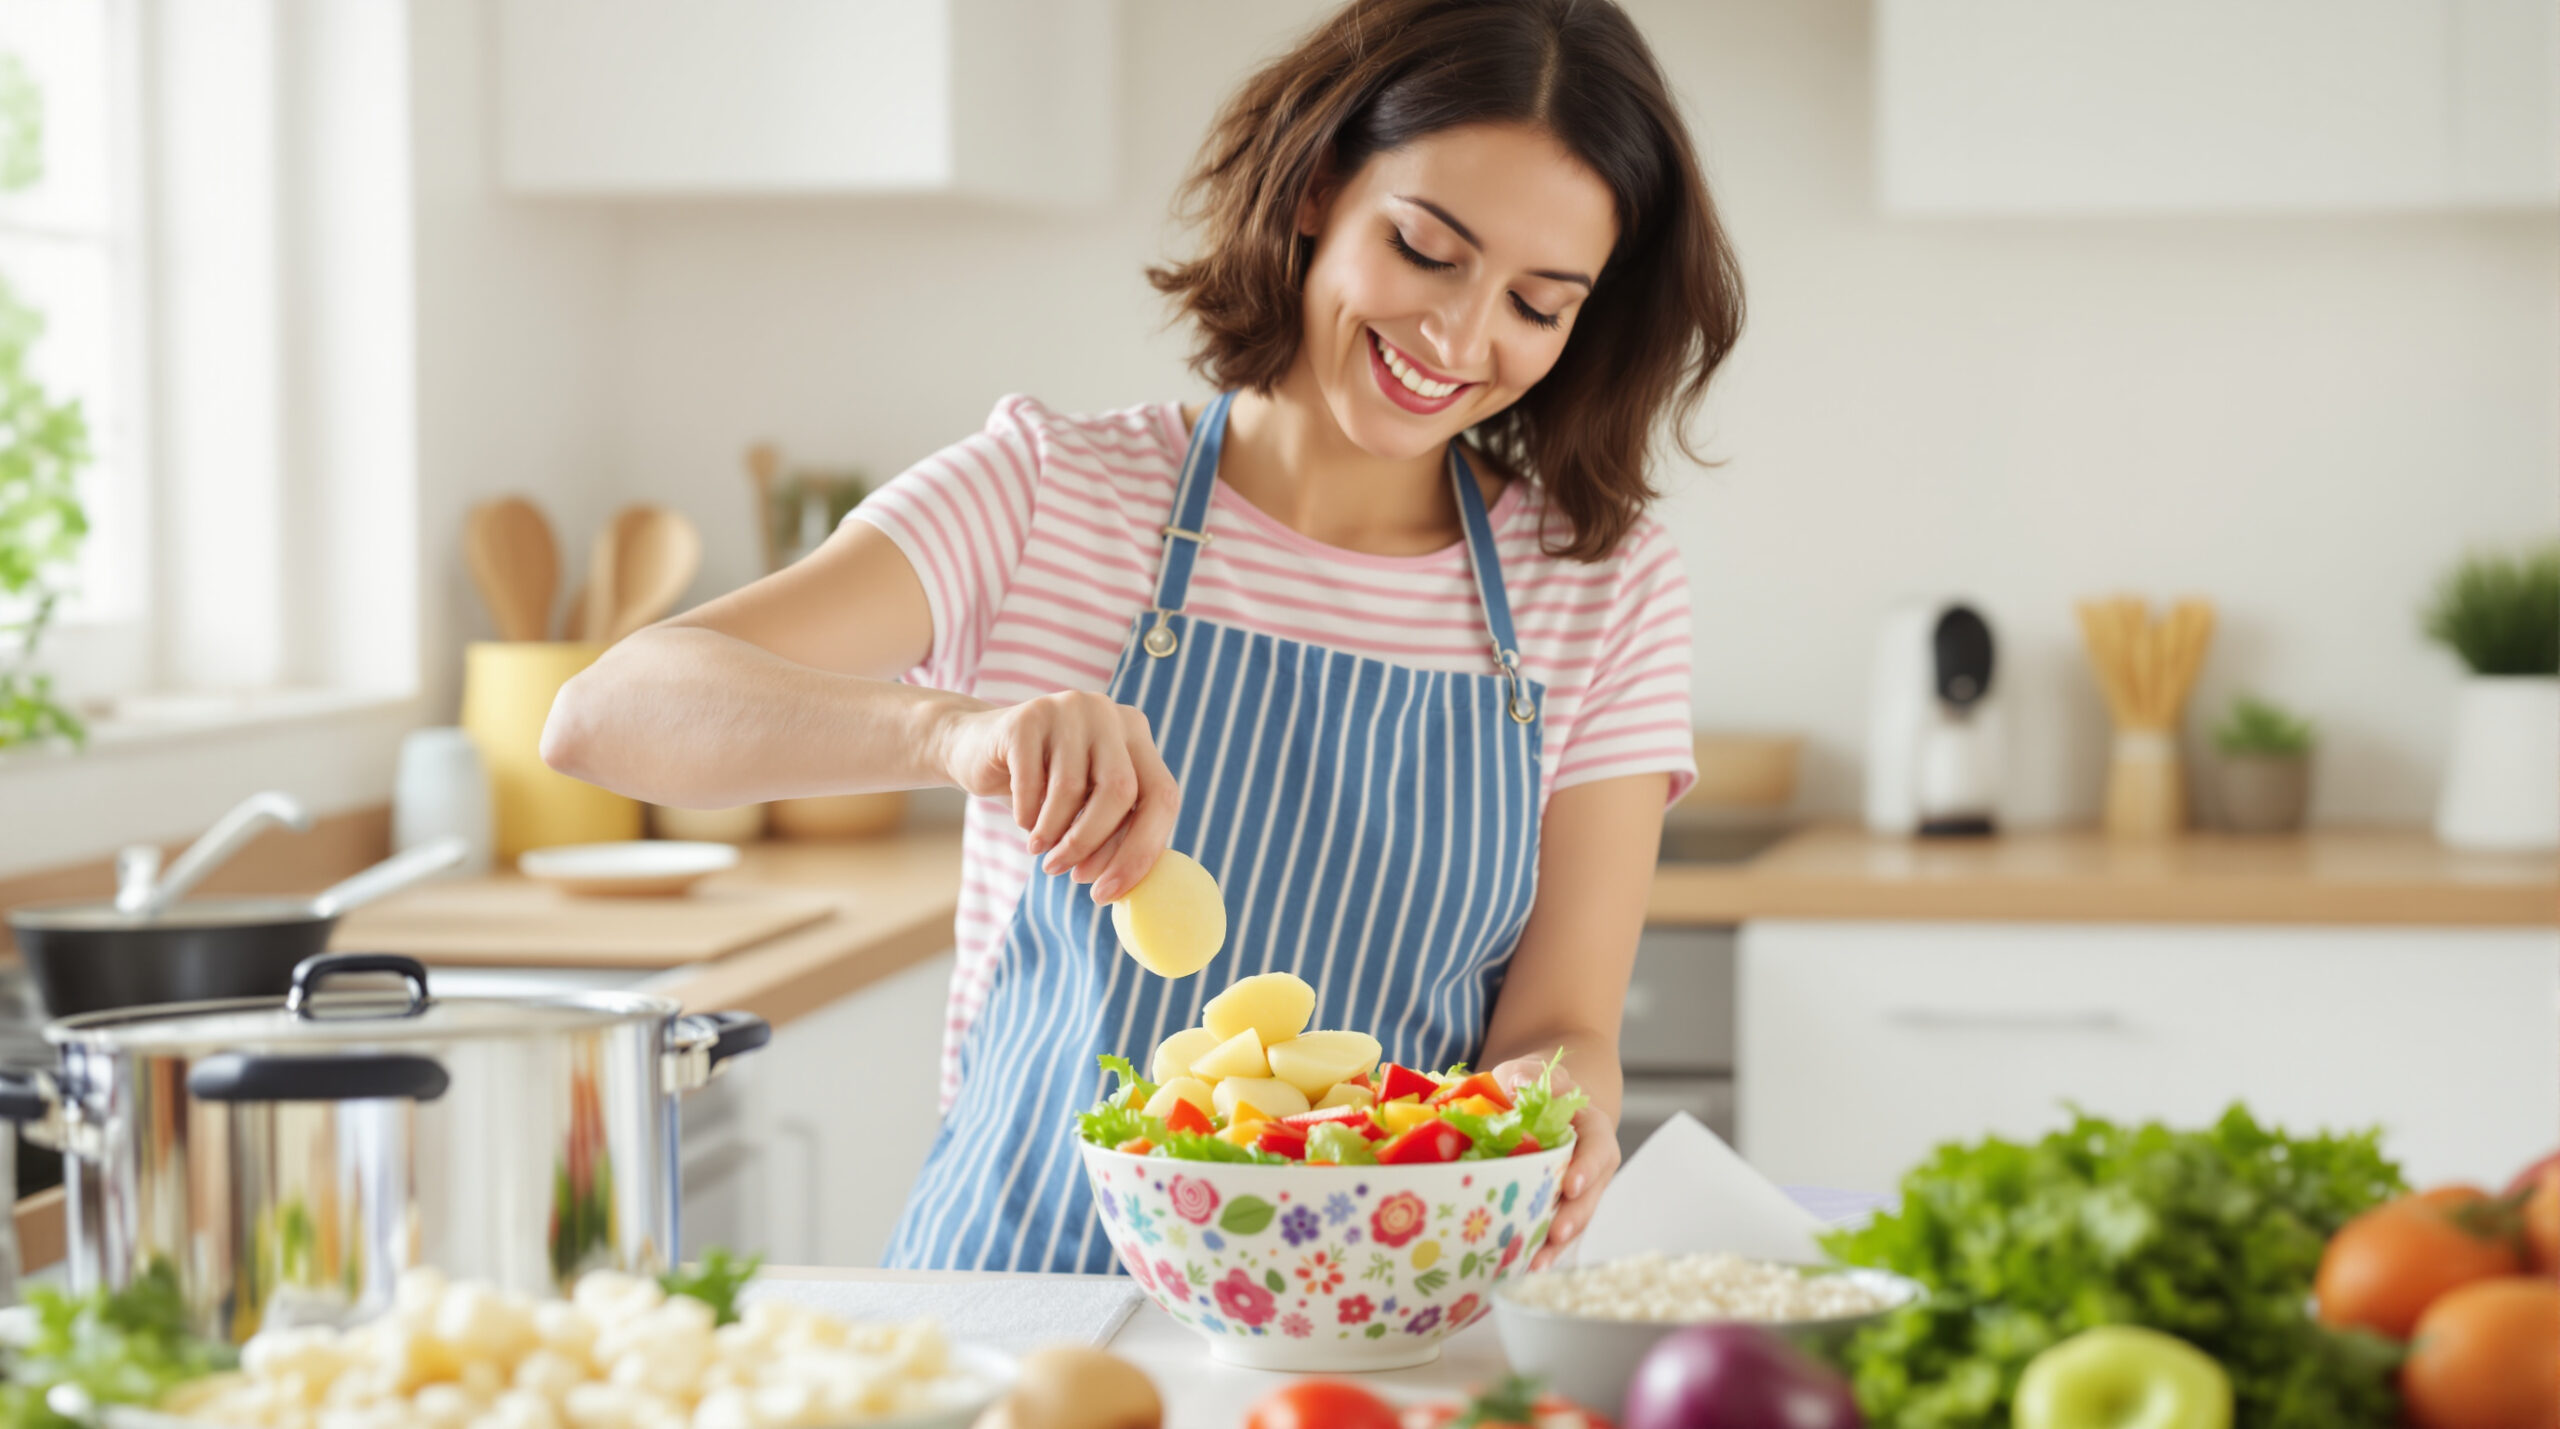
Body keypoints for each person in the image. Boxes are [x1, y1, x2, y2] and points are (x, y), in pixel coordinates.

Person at [542, 0, 1742, 1274]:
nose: (1461, 338)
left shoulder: (1601, 591)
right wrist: (954, 734)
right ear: (1315, 188)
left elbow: (1559, 1024)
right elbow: (607, 714)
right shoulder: (1051, 493)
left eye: (1537, 306)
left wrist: (1561, 1111)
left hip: (1375, 1310)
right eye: (1424, 249)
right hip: (1019, 1298)